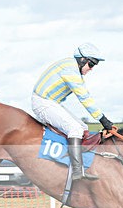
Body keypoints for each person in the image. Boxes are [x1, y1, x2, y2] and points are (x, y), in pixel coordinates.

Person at [31, 43, 114, 181]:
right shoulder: (71, 70)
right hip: (43, 102)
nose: (91, 69)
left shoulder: (71, 67)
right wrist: (103, 119)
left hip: (49, 102)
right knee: (74, 129)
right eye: (91, 64)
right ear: (82, 60)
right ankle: (76, 171)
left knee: (83, 127)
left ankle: (77, 163)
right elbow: (84, 97)